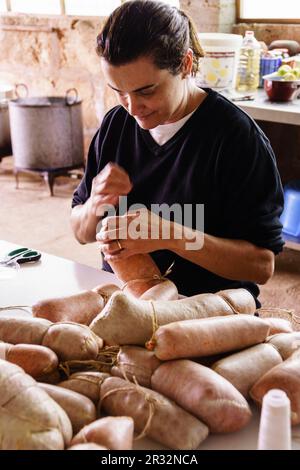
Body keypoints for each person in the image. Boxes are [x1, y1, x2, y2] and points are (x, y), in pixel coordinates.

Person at [71, 0, 284, 307]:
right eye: (118, 90)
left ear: (185, 65)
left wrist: (173, 235)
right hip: (127, 305)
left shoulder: (236, 138)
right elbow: (80, 231)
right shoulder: (115, 125)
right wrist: (93, 206)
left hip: (206, 313)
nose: (131, 108)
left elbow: (261, 266)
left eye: (146, 91)